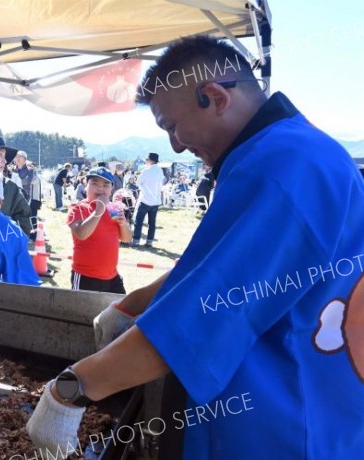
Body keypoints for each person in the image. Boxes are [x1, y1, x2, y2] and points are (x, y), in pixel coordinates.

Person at [26, 35, 364, 460]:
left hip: (286, 427)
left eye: (171, 125)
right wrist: (133, 304)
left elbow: (206, 315)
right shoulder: (288, 151)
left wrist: (71, 389)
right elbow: (225, 263)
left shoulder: (282, 166)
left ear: (215, 97)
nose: (176, 145)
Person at [67, 166, 131, 294]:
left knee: (121, 312)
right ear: (86, 184)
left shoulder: (113, 209)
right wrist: (98, 210)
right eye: (95, 183)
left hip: (112, 277)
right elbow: (81, 234)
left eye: (106, 185)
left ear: (112, 188)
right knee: (82, 313)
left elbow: (126, 238)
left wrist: (124, 224)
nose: (100, 188)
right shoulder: (78, 208)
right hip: (85, 277)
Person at [132, 152, 164, 247]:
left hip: (146, 199)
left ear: (150, 160)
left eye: (147, 160)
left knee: (139, 221)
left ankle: (136, 240)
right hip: (156, 200)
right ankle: (149, 241)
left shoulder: (146, 170)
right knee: (152, 223)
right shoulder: (160, 170)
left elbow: (138, 183)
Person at [13, 151, 42, 239]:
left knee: (31, 216)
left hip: (30, 197)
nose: (17, 158)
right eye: (16, 156)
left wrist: (16, 180)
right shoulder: (13, 169)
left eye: (20, 156)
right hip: (16, 196)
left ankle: (33, 236)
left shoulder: (30, 169)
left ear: (25, 159)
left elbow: (27, 181)